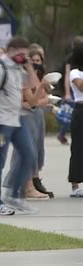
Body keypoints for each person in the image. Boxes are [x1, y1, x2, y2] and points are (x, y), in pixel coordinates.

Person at [0, 36, 45, 215]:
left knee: (29, 154)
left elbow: (35, 85)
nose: (22, 57)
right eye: (21, 54)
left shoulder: (18, 68)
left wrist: (27, 65)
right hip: (1, 122)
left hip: (16, 120)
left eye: (25, 55)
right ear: (10, 50)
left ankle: (15, 196)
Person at [2, 49, 53, 200]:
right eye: (30, 61)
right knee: (25, 153)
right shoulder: (19, 76)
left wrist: (42, 88)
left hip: (33, 115)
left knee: (34, 151)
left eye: (37, 61)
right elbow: (31, 102)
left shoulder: (30, 76)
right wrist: (42, 87)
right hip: (23, 116)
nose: (34, 64)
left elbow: (39, 100)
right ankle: (25, 188)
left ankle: (27, 186)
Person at [68, 36, 83, 198]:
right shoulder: (75, 72)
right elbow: (81, 86)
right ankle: (75, 184)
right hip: (80, 110)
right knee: (78, 147)